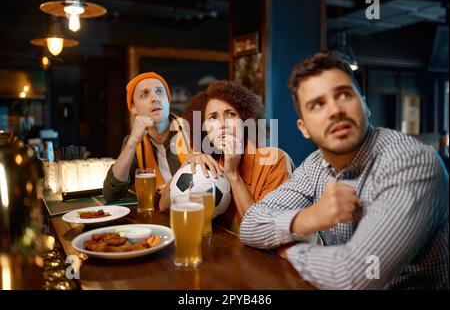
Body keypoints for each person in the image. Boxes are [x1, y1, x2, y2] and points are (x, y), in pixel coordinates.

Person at [240, 51, 449, 289]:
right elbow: (250, 225)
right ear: (304, 127)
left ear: (365, 105)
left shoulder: (412, 164)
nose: (335, 110)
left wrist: (289, 249)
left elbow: (355, 276)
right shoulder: (315, 165)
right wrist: (307, 218)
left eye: (344, 95)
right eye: (317, 104)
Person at [160, 80, 295, 234]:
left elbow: (264, 232)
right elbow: (164, 206)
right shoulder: (209, 158)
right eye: (213, 117)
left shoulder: (274, 161)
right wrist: (186, 165)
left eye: (231, 114)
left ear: (245, 121)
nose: (223, 124)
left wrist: (233, 175)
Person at [103, 72, 190, 203]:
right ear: (133, 108)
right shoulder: (133, 142)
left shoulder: (192, 129)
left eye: (159, 92)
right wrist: (132, 142)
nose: (155, 98)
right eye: (144, 94)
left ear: (168, 99)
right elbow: (111, 193)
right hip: (158, 220)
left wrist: (173, 189)